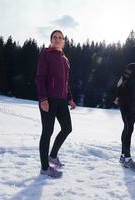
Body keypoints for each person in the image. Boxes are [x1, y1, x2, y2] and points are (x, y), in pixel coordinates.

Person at [35, 30, 76, 178]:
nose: (58, 39)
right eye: (55, 37)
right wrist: (43, 99)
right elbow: (40, 78)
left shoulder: (65, 60)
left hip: (62, 100)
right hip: (49, 99)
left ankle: (52, 156)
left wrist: (70, 98)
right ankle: (45, 168)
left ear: (64, 41)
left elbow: (66, 82)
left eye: (60, 37)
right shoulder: (46, 55)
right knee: (48, 131)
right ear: (51, 40)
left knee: (67, 128)